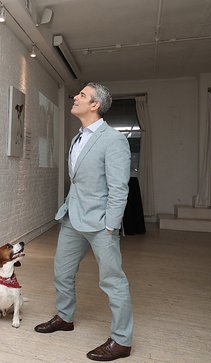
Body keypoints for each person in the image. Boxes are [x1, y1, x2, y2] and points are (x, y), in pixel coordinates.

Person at [34, 82, 133, 361]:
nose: (75, 97)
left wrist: (110, 225)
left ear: (95, 105)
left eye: (82, 95)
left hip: (101, 223)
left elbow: (119, 188)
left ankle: (122, 340)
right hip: (72, 217)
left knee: (113, 281)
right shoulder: (77, 138)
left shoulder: (114, 140)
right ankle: (65, 318)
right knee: (62, 272)